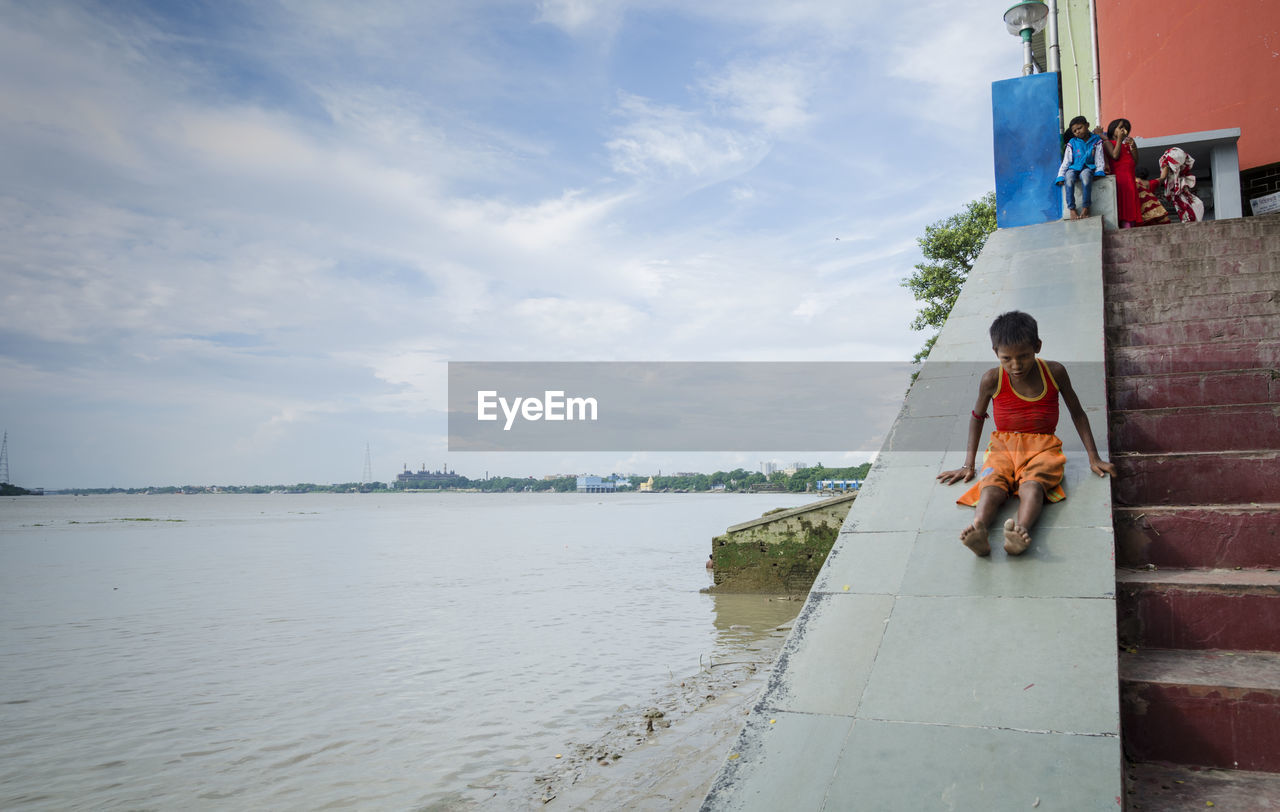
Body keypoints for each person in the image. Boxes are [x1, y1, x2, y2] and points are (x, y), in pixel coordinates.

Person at [937, 311, 1117, 557]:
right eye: (1006, 358)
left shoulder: (1054, 372)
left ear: (1037, 347)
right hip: (1002, 446)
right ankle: (979, 529)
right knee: (991, 486)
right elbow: (977, 418)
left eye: (1023, 356)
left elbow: (1077, 413)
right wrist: (968, 464)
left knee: (1033, 487)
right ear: (995, 353)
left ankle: (1018, 534)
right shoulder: (992, 379)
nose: (1016, 365)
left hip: (1043, 448)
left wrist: (1094, 458)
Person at [1055, 116, 1107, 219]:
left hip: (1088, 167)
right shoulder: (1072, 142)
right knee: (1068, 178)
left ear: (1087, 125)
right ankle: (1072, 209)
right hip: (1073, 168)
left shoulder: (1096, 140)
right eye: (1074, 131)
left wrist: (1099, 171)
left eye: (1079, 128)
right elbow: (1066, 161)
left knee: (1086, 177)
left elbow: (1099, 157)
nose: (1077, 132)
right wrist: (1060, 176)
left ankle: (1086, 207)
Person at [1105, 118, 1140, 229]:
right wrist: (1119, 139)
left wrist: (1134, 147)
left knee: (1131, 204)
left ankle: (1131, 224)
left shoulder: (1126, 145)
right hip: (1120, 180)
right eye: (1121, 128)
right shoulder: (1108, 143)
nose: (1124, 130)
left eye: (1126, 129)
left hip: (1130, 179)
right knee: (1122, 204)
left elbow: (1134, 162)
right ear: (1113, 129)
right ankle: (1125, 226)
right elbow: (1115, 156)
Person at [1157, 147, 1205, 223]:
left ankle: (1189, 219)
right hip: (1177, 192)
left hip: (1180, 191)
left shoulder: (1180, 175)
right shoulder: (1166, 165)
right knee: (1187, 205)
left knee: (1196, 204)